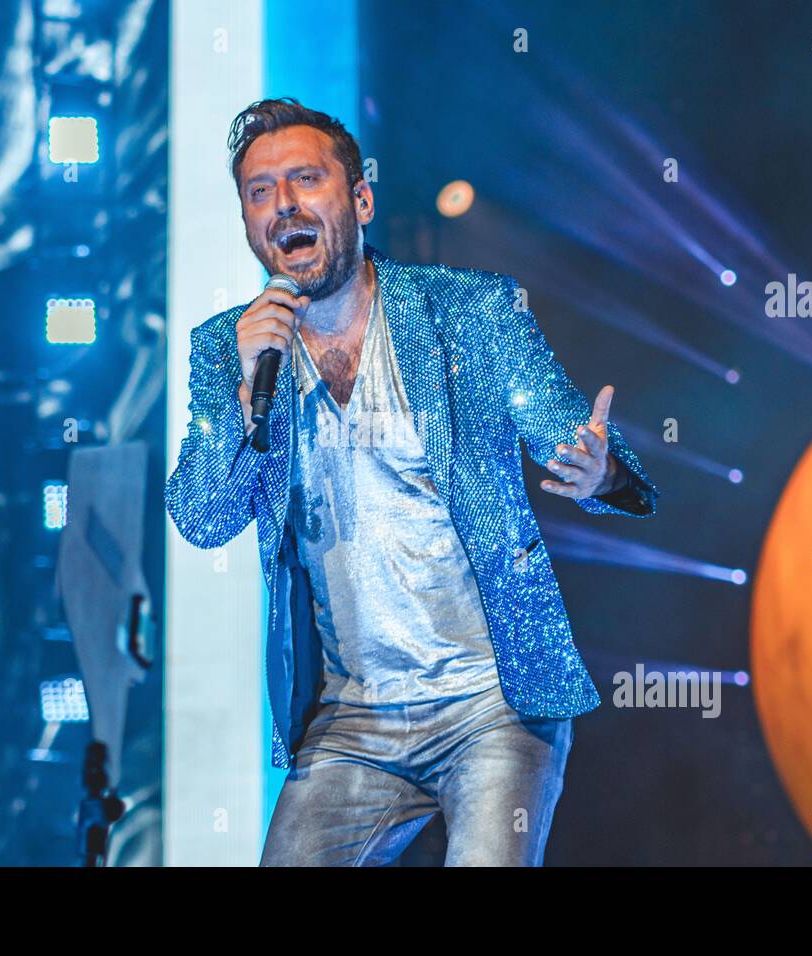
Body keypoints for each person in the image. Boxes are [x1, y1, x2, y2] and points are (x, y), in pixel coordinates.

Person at [165, 97, 659, 866]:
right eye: (259, 192)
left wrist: (600, 469)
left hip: (493, 703)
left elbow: (575, 433)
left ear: (359, 198)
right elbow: (200, 517)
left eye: (305, 179)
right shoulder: (228, 349)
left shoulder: (469, 313)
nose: (284, 204)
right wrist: (239, 401)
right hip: (348, 726)